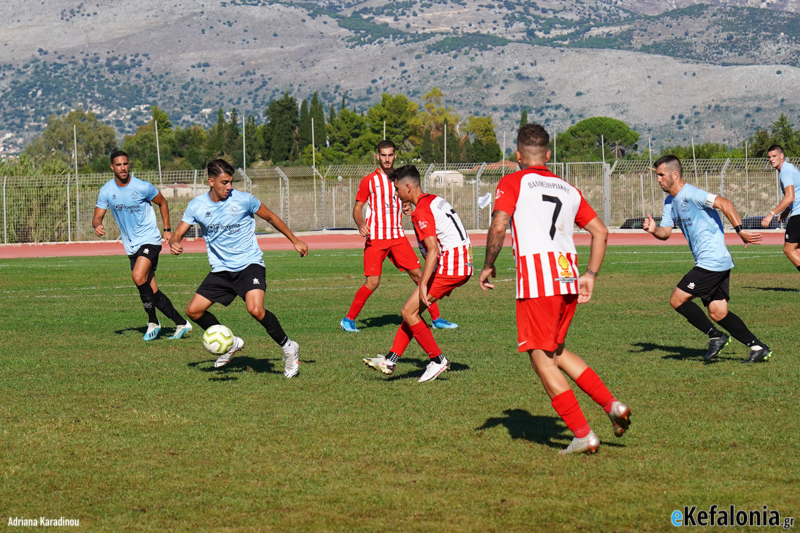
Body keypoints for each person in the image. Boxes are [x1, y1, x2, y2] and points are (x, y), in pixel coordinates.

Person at [479, 124, 631, 455]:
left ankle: (583, 434)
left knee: (540, 359)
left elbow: (500, 223)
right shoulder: (568, 188)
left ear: (517, 156)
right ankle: (612, 405)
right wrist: (590, 274)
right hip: (566, 279)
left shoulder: (513, 180)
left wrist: (489, 263)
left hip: (537, 283)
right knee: (557, 352)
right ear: (548, 155)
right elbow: (601, 232)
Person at [169, 159, 308, 378]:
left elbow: (271, 217)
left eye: (231, 182)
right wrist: (174, 241)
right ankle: (231, 343)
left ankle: (289, 347)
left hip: (249, 265)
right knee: (193, 311)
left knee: (255, 310)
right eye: (224, 182)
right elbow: (178, 232)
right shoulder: (196, 206)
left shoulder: (244, 200)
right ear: (211, 182)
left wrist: (295, 240)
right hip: (221, 270)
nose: (229, 187)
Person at [644, 155, 771, 363]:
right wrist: (653, 230)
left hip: (711, 261)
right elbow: (665, 232)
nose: (658, 179)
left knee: (677, 299)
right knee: (718, 312)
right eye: (657, 175)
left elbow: (724, 203)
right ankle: (758, 347)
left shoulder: (692, 194)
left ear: (675, 175)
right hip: (716, 262)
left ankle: (716, 336)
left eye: (661, 175)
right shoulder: (670, 202)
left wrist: (740, 230)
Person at [363, 165, 472, 382]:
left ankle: (438, 359)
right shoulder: (431, 201)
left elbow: (433, 249)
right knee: (411, 312)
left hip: (451, 266)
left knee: (408, 311)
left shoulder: (422, 210)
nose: (396, 194)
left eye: (397, 190)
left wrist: (423, 283)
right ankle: (391, 359)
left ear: (408, 187)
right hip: (460, 262)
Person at [340, 140, 458, 332]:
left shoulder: (400, 179)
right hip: (376, 238)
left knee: (420, 276)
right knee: (373, 282)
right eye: (383, 155)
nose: (387, 159)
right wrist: (361, 224)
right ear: (377, 156)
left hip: (397, 237)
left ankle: (436, 319)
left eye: (390, 155)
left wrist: (407, 206)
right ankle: (348, 319)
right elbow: (358, 208)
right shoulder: (369, 181)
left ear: (395, 156)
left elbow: (406, 200)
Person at [93, 150, 191, 341]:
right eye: (119, 165)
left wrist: (167, 230)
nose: (123, 167)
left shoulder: (142, 187)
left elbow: (162, 203)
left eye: (126, 164)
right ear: (112, 167)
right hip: (131, 245)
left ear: (129, 165)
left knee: (137, 276)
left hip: (149, 240)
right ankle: (182, 323)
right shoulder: (106, 190)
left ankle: (153, 322)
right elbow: (97, 217)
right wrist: (98, 226)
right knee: (151, 290)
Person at [762, 145, 800, 276]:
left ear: (781, 156)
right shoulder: (790, 168)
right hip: (796, 211)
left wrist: (771, 214)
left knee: (788, 250)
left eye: (774, 156)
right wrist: (786, 211)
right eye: (769, 157)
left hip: (799, 214)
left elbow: (790, 197)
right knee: (797, 249)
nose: (771, 159)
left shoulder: (785, 171)